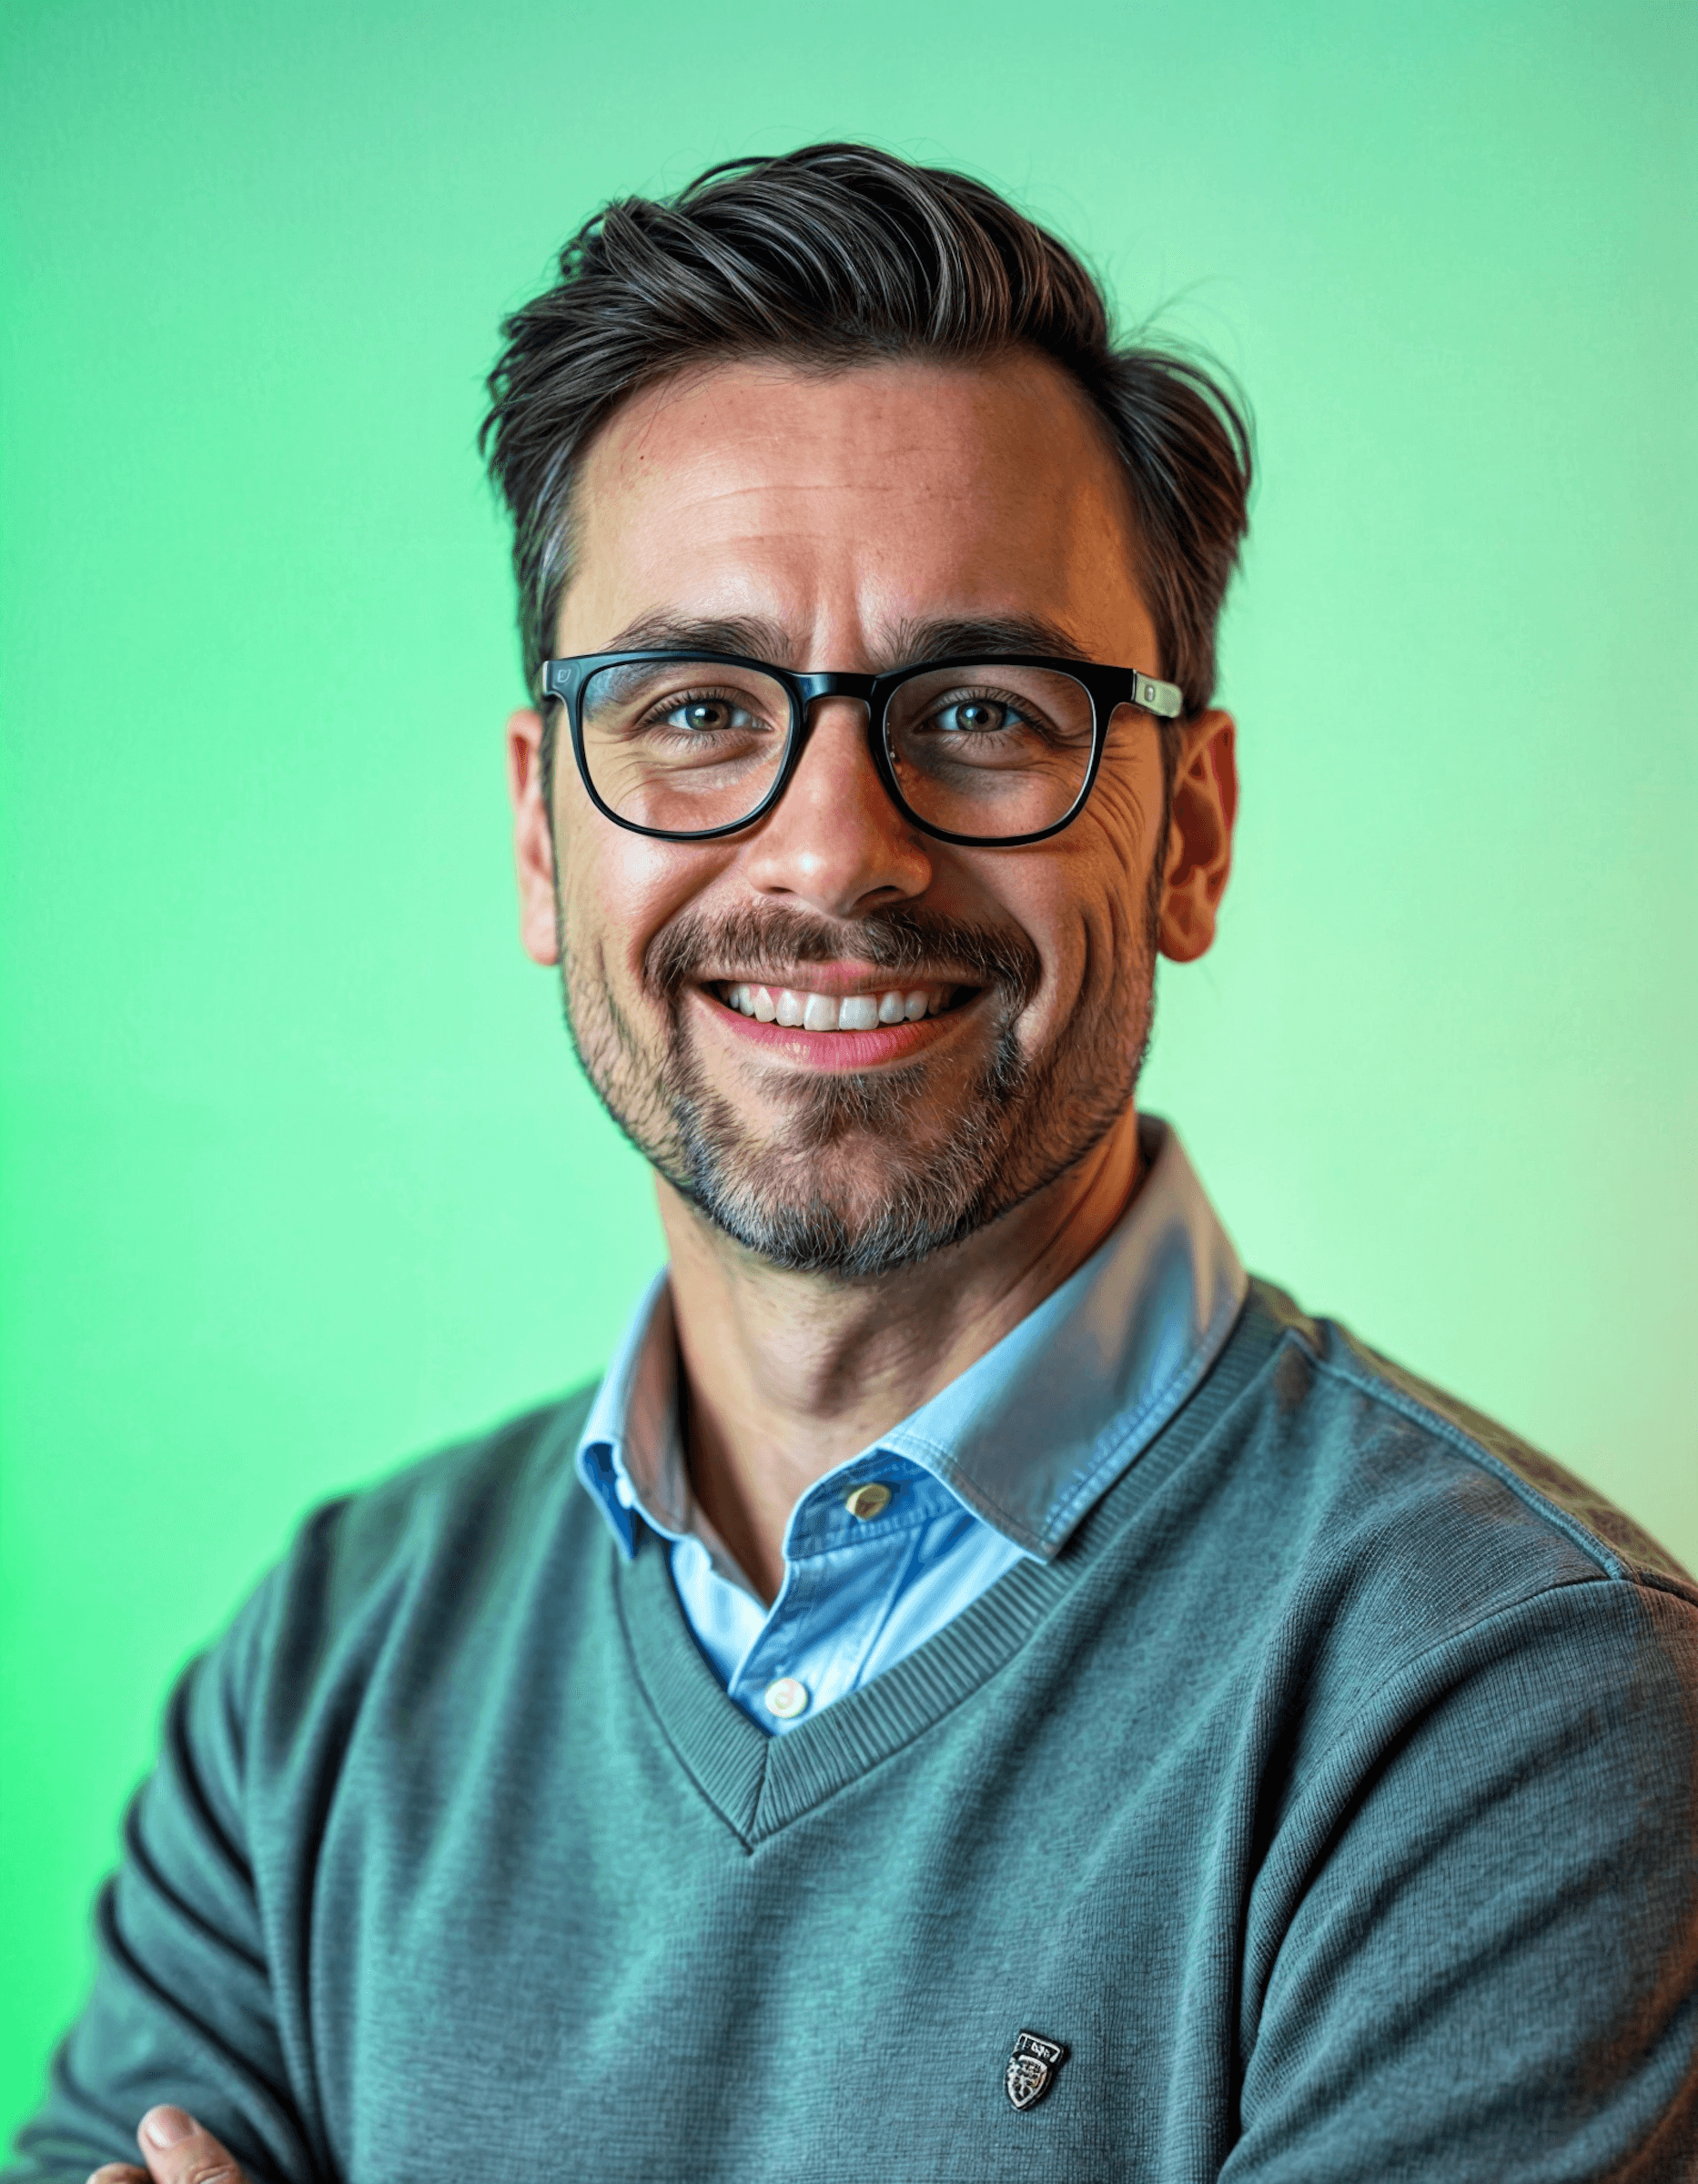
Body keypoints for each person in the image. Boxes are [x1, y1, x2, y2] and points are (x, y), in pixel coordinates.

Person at [10, 143, 1696, 2184]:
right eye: (700, 709)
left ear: (1188, 832)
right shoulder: (325, 1675)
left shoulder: (1520, 1702)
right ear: (546, 834)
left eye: (984, 709)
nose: (830, 853)